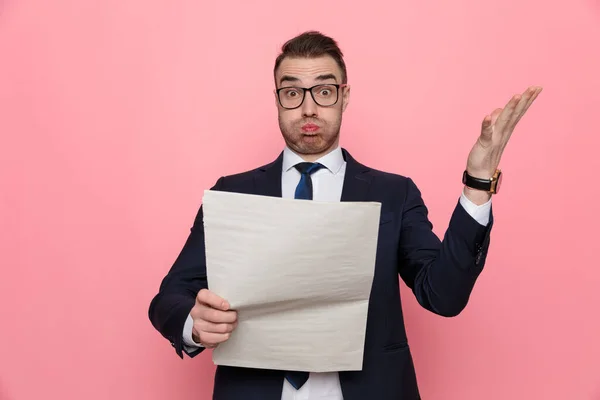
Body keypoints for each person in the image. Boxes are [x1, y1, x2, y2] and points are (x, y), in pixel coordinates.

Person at [148, 30, 542, 400]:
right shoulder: (231, 192)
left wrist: (477, 183)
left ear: (344, 95)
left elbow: (443, 295)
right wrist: (194, 326)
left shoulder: (394, 193)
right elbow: (169, 297)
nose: (308, 107)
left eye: (323, 90)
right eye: (292, 92)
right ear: (277, 98)